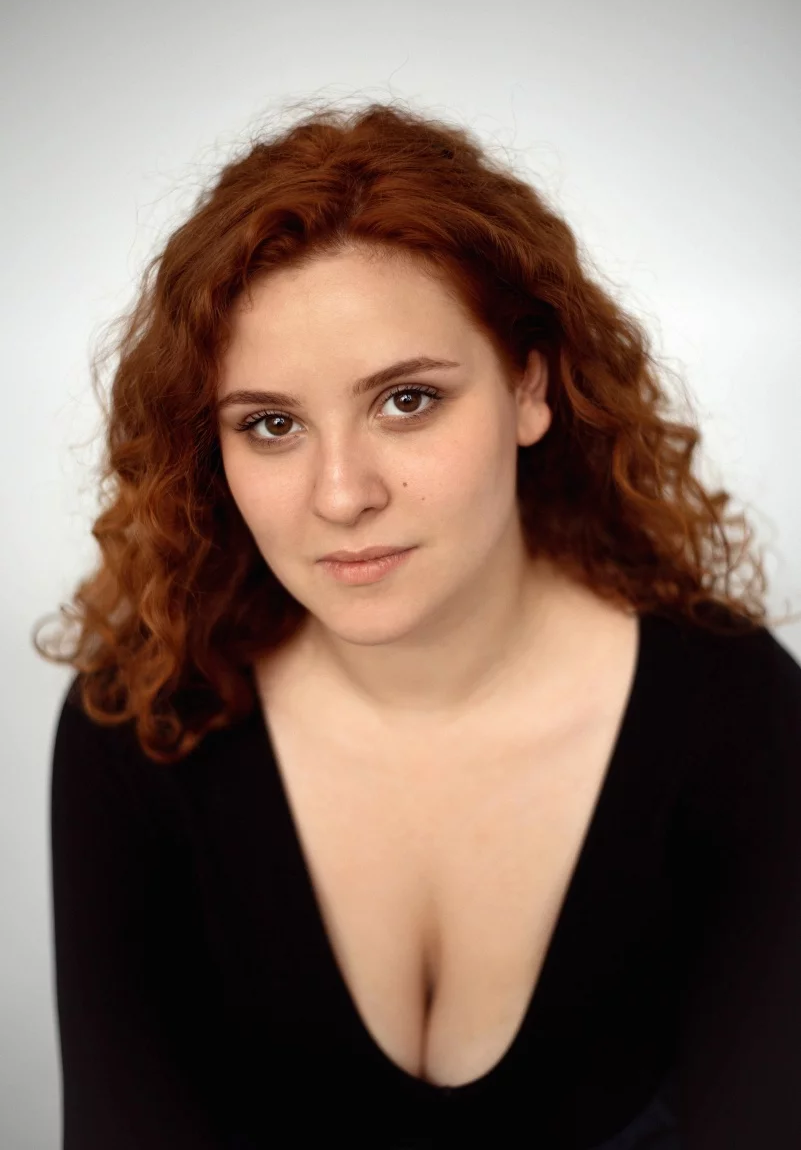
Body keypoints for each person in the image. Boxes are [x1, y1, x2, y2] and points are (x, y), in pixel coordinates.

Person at [37, 100, 801, 1149]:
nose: (341, 494)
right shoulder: (146, 722)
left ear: (529, 386)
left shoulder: (733, 714)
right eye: (271, 424)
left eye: (406, 401)